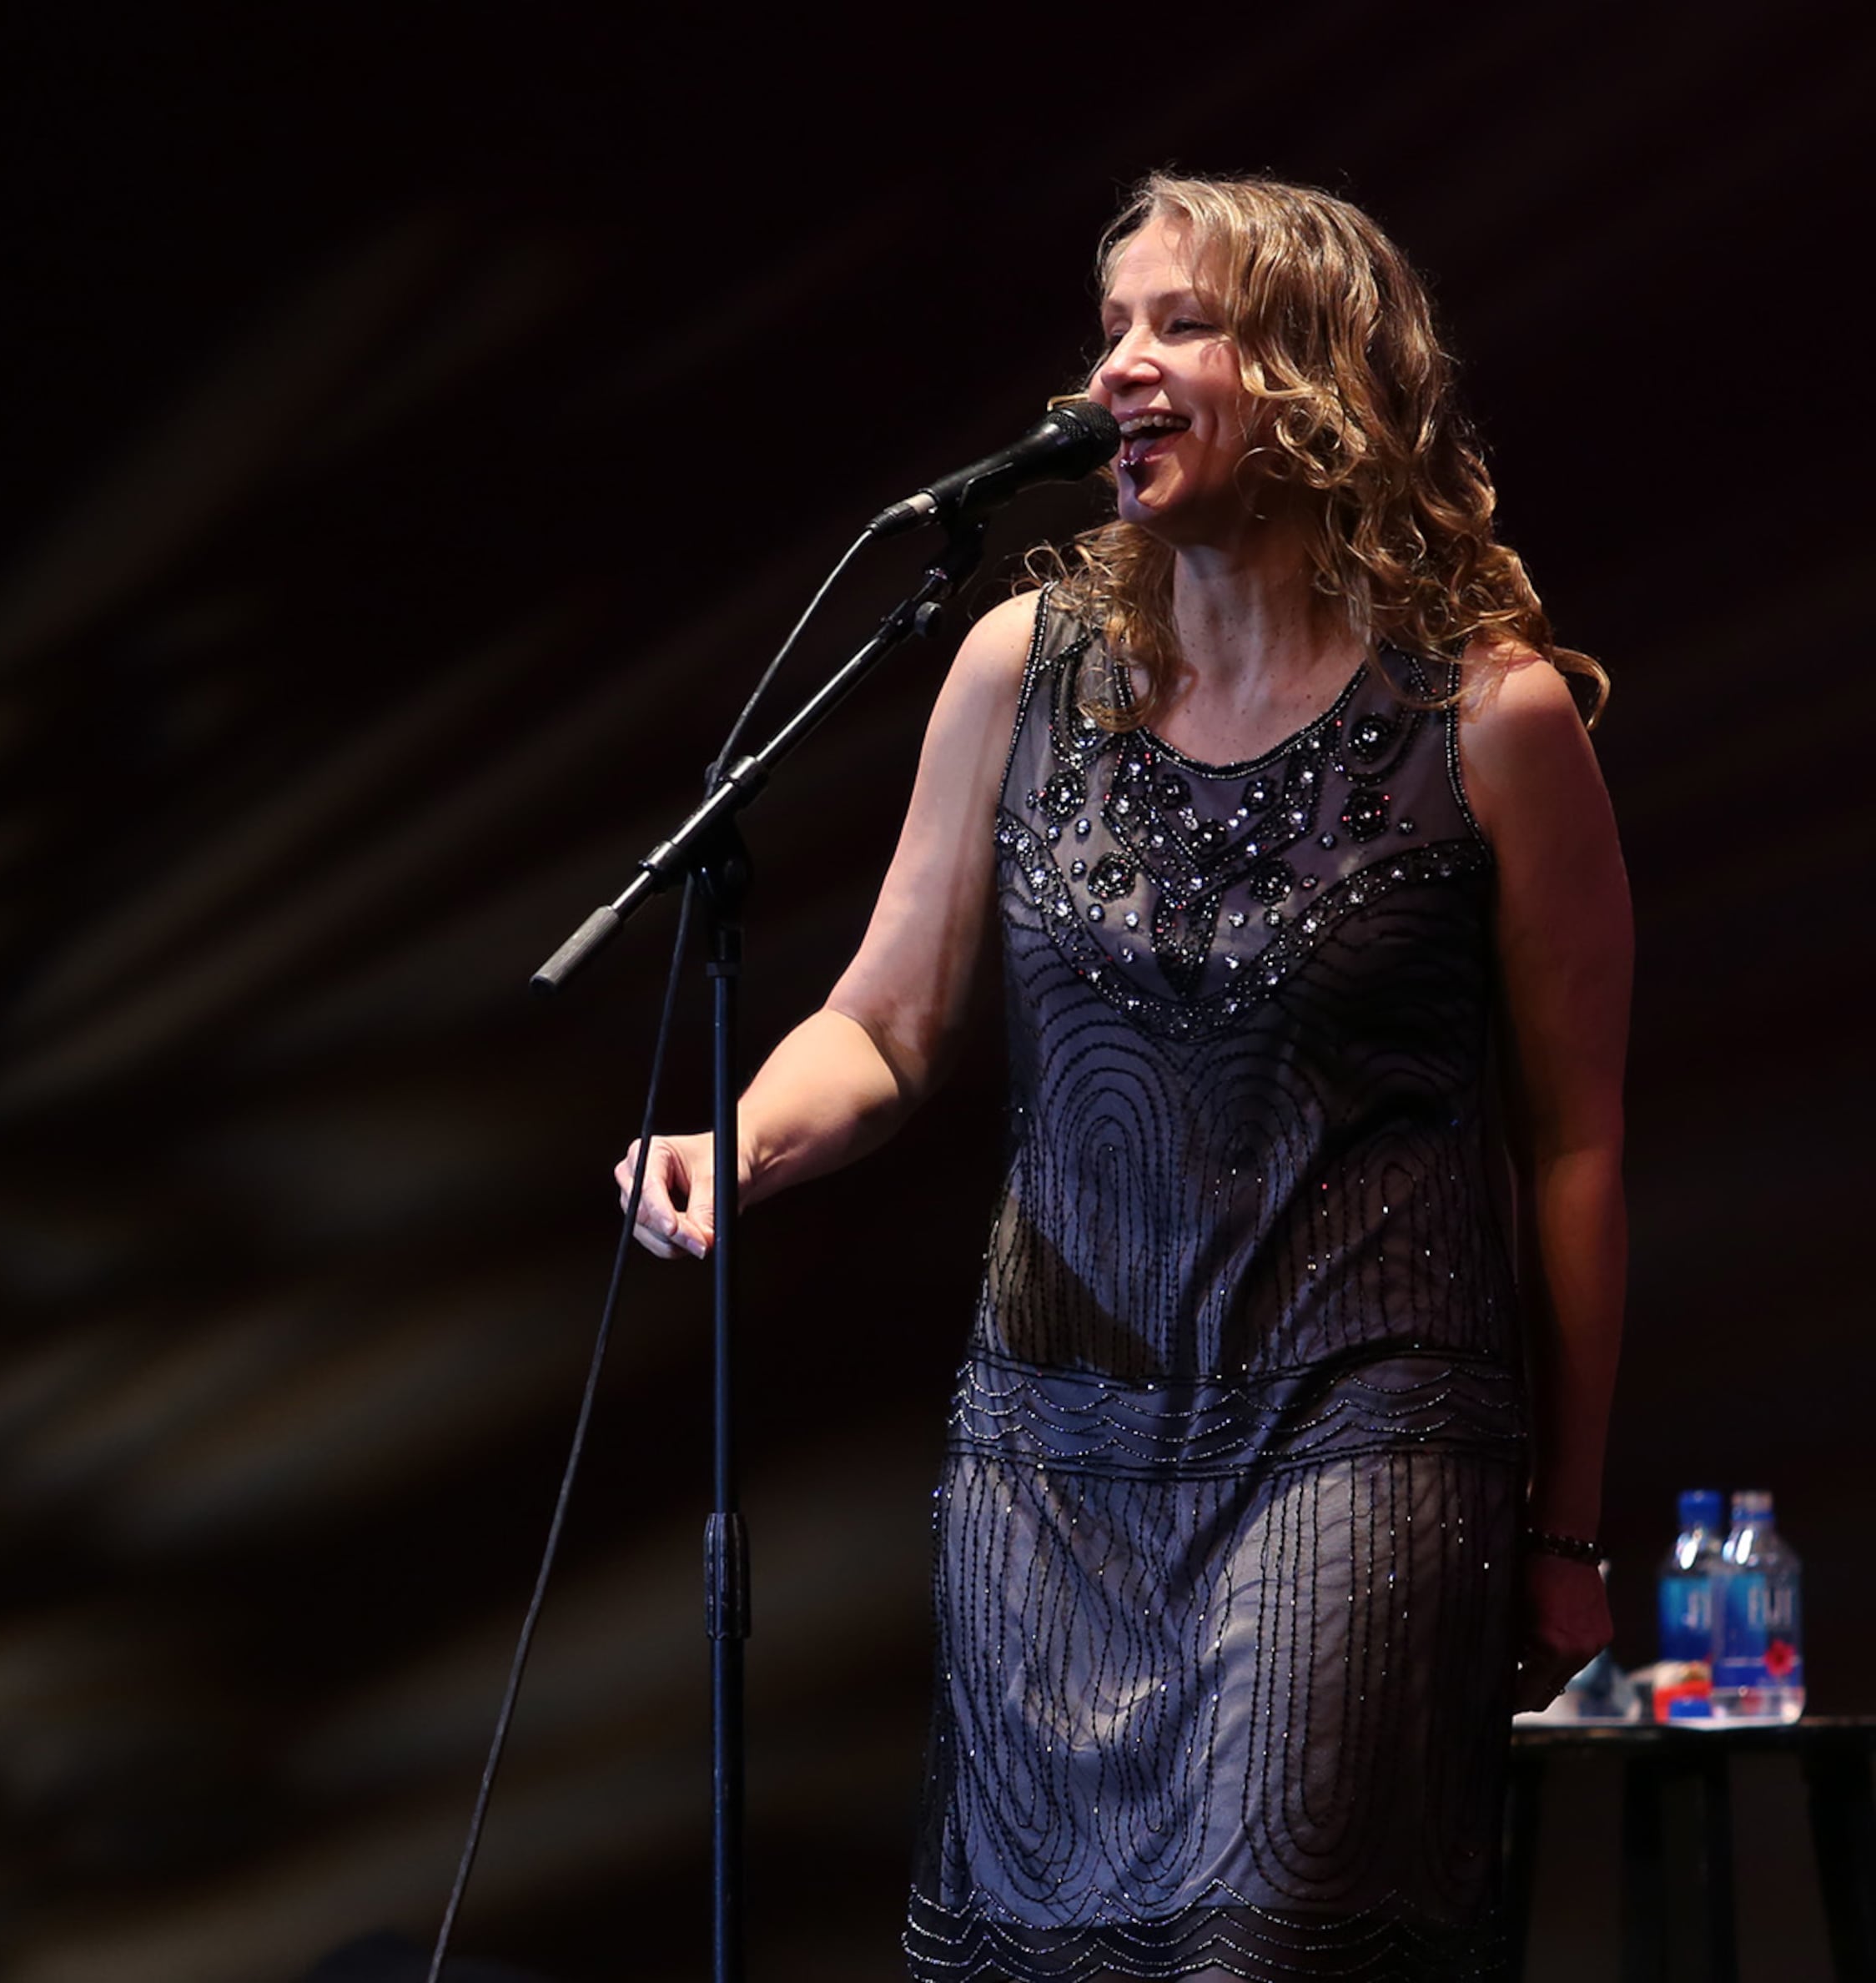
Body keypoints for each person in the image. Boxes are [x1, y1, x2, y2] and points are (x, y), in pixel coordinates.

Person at [619, 174, 1626, 1977]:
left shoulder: (1489, 719)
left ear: (1317, 369)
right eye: (1113, 330)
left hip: (1359, 1442)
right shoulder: (1024, 670)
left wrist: (1566, 1523)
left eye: (1185, 322)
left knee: (1271, 1945)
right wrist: (740, 1138)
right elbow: (885, 1019)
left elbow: (1575, 1144)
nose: (1125, 367)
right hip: (1056, 1461)